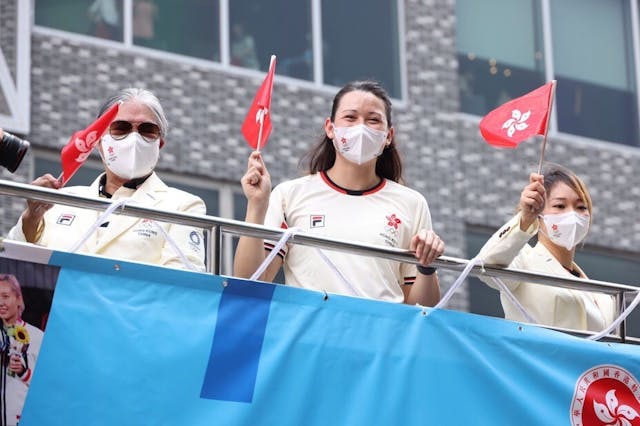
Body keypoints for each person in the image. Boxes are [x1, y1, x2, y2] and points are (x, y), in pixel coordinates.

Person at [234, 80, 444, 306]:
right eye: (350, 117)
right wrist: (256, 206)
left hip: (381, 337)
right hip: (309, 335)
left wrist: (426, 267)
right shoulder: (290, 195)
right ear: (330, 128)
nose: (361, 128)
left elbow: (422, 311)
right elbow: (249, 282)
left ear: (388, 136)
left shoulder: (411, 203)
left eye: (373, 120)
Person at [7, 88, 206, 271]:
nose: (134, 138)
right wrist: (31, 217)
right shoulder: (58, 200)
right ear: (99, 142)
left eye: (147, 129)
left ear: (159, 144)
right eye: (121, 128)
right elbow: (13, 269)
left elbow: (184, 284)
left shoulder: (183, 206)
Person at [477, 164, 616, 331]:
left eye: (581, 207)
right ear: (539, 214)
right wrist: (525, 219)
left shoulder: (604, 296)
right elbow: (485, 267)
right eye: (559, 206)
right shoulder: (524, 260)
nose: (572, 214)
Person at [0, 274, 43, 426]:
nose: (1, 302)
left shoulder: (37, 337)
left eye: (5, 296)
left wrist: (23, 372)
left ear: (18, 299)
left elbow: (47, 385)